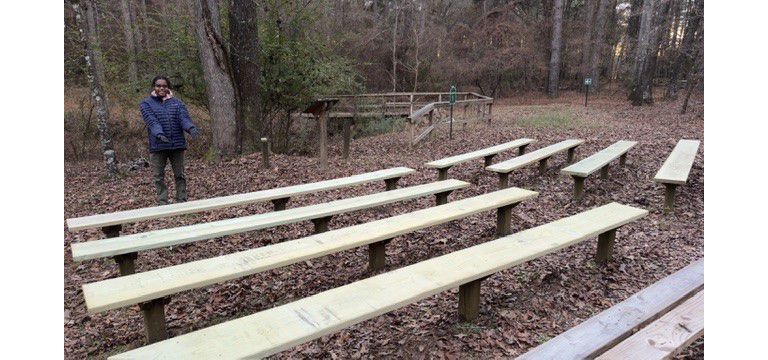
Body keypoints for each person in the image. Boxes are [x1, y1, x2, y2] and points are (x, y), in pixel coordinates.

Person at [140, 76, 199, 205]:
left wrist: (191, 128)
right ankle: (163, 202)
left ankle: (181, 201)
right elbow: (151, 121)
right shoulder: (146, 104)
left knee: (180, 175)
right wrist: (159, 134)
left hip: (177, 145)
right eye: (158, 85)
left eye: (164, 86)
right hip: (158, 145)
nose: (161, 88)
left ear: (168, 87)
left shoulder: (177, 103)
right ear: (154, 87)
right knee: (158, 176)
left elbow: (183, 118)